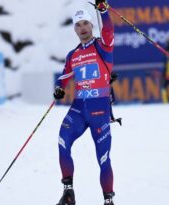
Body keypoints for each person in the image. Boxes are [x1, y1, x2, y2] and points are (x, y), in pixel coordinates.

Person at [53, 1, 116, 204]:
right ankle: (68, 192)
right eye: (78, 25)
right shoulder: (74, 55)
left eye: (85, 23)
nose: (82, 28)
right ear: (74, 29)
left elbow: (108, 29)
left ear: (91, 25)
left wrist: (103, 11)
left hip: (99, 109)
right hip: (79, 108)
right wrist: (59, 87)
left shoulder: (102, 45)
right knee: (63, 140)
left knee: (103, 158)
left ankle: (108, 200)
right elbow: (65, 76)